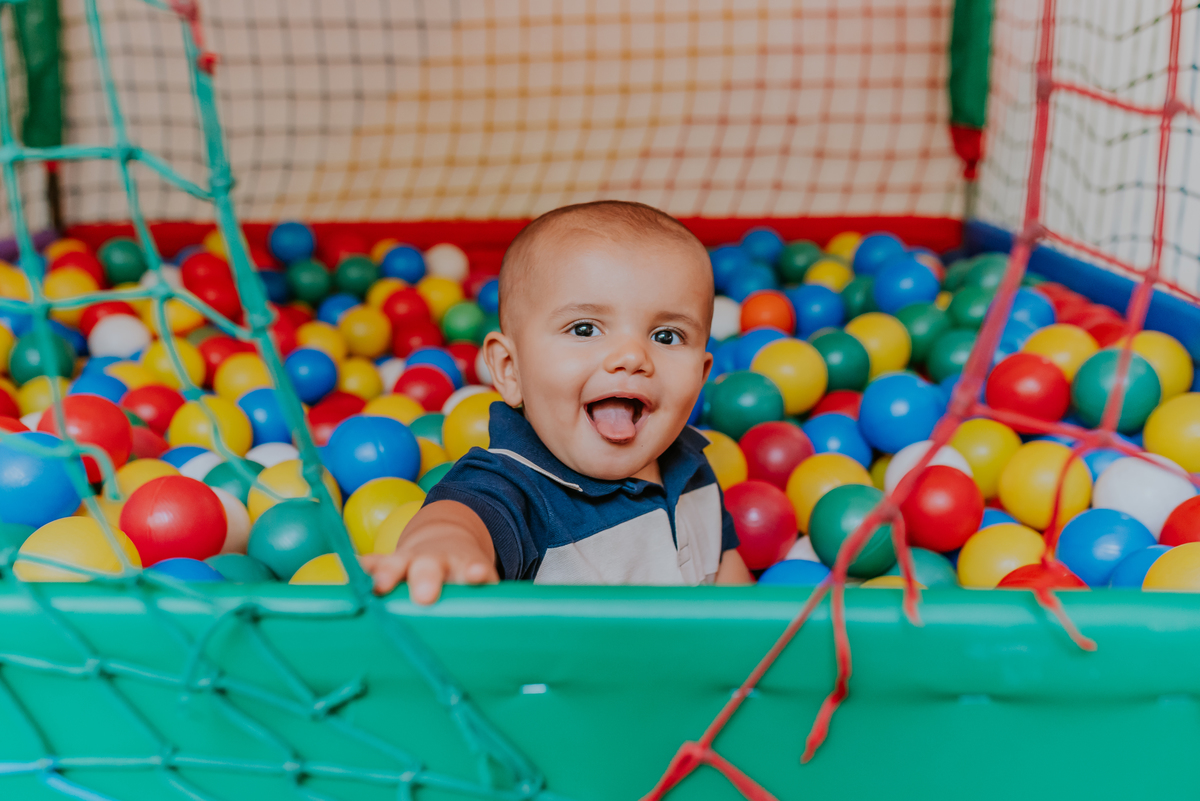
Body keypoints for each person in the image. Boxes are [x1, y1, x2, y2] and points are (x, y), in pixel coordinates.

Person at [361, 200, 753, 603]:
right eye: (585, 329)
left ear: (701, 376)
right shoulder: (513, 487)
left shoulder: (692, 465)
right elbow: (459, 519)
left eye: (666, 336)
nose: (632, 356)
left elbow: (726, 576)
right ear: (511, 369)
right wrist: (440, 547)